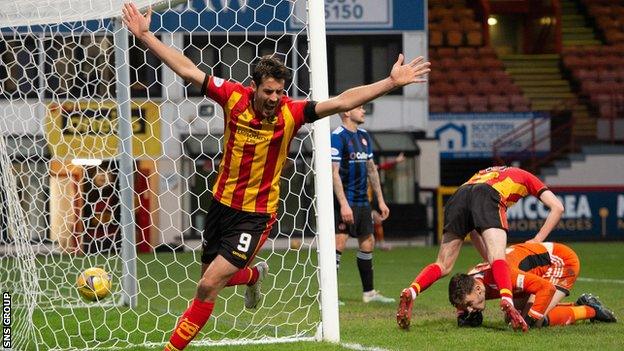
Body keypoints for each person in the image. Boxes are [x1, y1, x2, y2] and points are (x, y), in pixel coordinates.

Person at [121, 3, 431, 350]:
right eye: (268, 91)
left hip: (256, 214)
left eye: (279, 92)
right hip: (221, 206)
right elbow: (189, 70)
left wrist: (390, 81)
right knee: (210, 278)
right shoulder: (232, 97)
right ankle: (254, 274)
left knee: (207, 286)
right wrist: (146, 35)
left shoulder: (292, 113)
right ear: (254, 87)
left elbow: (342, 101)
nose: (274, 98)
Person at [396, 166, 564, 331]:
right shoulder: (527, 176)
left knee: (443, 264)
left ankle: (412, 290)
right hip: (488, 193)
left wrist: (489, 260)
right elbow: (558, 208)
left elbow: (474, 230)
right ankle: (507, 300)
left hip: (459, 195)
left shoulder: (487, 171)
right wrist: (536, 239)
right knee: (498, 257)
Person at [448, 242, 617, 328]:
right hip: (532, 272)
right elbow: (462, 295)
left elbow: (546, 288)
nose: (470, 309)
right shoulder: (471, 281)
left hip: (560, 262)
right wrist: (463, 314)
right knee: (510, 319)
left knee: (536, 321)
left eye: (469, 305)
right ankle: (578, 304)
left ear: (478, 289)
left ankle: (591, 310)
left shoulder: (507, 277)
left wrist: (528, 320)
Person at [332, 106, 394, 304]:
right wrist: (343, 204)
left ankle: (369, 293)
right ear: (346, 112)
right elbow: (333, 173)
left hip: (362, 202)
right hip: (344, 201)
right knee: (338, 243)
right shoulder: (337, 136)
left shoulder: (364, 136)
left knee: (368, 243)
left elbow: (372, 170)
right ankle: (328, 296)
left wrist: (381, 200)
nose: (364, 110)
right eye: (359, 107)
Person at [370, 152, 406, 251]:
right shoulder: (356, 170)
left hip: (368, 203)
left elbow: (383, 166)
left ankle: (380, 244)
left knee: (377, 221)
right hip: (356, 201)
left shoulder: (371, 168)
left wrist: (396, 161)